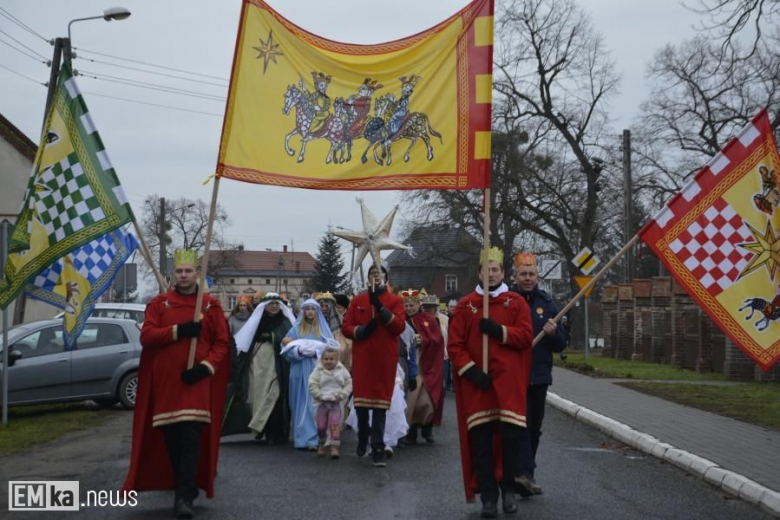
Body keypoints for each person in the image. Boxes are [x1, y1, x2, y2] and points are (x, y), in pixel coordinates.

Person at [123, 249, 230, 519]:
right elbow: (146, 336)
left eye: (188, 271)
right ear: (173, 275)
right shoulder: (159, 304)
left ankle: (183, 496)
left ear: (197, 274)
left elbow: (222, 343)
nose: (184, 275)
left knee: (191, 437)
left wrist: (205, 368)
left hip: (196, 382)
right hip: (167, 384)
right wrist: (179, 331)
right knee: (172, 439)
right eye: (179, 271)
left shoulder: (209, 306)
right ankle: (186, 485)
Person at [448, 247, 533, 518]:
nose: (492, 274)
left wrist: (499, 331)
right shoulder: (466, 305)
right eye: (487, 269)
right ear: (480, 272)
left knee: (511, 442)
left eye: (496, 269)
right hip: (478, 386)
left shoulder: (516, 303)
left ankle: (508, 490)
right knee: (482, 443)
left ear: (503, 273)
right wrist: (471, 371)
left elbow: (525, 336)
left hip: (508, 386)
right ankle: (488, 495)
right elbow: (455, 345)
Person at [510, 252, 569, 496]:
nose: (527, 278)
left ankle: (527, 474)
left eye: (531, 274)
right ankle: (519, 473)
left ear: (537, 276)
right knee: (520, 425)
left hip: (539, 375)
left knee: (534, 427)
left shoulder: (548, 303)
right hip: (514, 374)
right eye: (523, 274)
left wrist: (554, 333)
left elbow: (562, 345)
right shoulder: (508, 300)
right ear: (515, 276)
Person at [342, 263, 405, 467]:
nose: (375, 276)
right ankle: (363, 435)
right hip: (363, 357)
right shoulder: (358, 300)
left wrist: (380, 308)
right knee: (361, 403)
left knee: (379, 405)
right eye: (372, 273)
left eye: (379, 273)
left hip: (384, 357)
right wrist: (360, 331)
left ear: (385, 278)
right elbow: (346, 326)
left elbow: (399, 326)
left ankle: (378, 446)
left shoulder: (395, 300)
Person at [225, 293, 295, 444]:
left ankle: (273, 432)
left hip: (278, 363)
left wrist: (272, 337)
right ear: (265, 306)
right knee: (257, 396)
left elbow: (288, 338)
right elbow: (248, 340)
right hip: (257, 363)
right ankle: (260, 426)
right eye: (271, 304)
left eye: (277, 304)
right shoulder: (257, 321)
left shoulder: (285, 322)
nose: (274, 306)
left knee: (275, 394)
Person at [281, 299, 335, 450]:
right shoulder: (296, 329)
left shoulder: (323, 330)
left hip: (316, 370)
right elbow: (285, 346)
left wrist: (317, 352)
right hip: (299, 370)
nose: (310, 312)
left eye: (313, 309)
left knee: (315, 404)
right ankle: (302, 438)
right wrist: (298, 351)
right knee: (299, 404)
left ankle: (315, 438)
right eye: (307, 309)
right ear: (303, 311)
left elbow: (331, 349)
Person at [401, 288, 445, 445]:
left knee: (427, 398)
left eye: (411, 305)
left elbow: (437, 339)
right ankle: (411, 433)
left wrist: (423, 341)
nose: (409, 308)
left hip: (426, 363)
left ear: (418, 304)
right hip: (409, 363)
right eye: (406, 306)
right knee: (411, 398)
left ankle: (427, 430)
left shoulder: (428, 319)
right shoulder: (401, 320)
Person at [308, 346, 352, 459]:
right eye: (326, 359)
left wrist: (342, 395)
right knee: (321, 425)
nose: (328, 361)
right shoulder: (317, 371)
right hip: (321, 403)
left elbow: (348, 383)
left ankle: (334, 447)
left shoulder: (342, 370)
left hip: (335, 402)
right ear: (322, 359)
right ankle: (322, 444)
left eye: (331, 359)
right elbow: (312, 384)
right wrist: (319, 395)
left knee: (335, 425)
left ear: (336, 360)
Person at [421, 294, 452, 392]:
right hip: (425, 357)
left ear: (435, 307)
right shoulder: (419, 320)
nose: (428, 309)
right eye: (426, 307)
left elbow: (450, 337)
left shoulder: (444, 319)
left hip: (443, 357)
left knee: (441, 386)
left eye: (430, 307)